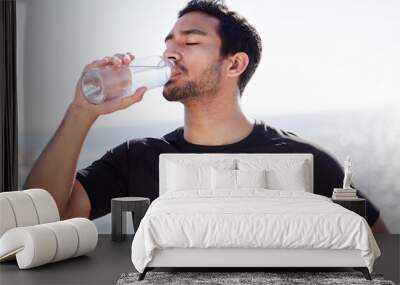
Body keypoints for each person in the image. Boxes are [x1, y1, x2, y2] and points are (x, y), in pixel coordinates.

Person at [24, 0, 387, 233]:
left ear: (234, 63)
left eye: (190, 41)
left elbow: (380, 246)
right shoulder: (136, 158)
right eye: (168, 41)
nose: (170, 52)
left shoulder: (301, 160)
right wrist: (81, 112)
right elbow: (40, 221)